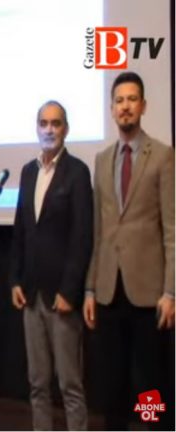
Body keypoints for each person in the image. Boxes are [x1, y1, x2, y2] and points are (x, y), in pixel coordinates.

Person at [84, 71, 175, 430]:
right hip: (109, 291)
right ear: (111, 109)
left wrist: (171, 291)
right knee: (113, 384)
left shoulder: (163, 156)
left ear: (143, 106)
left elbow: (172, 230)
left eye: (132, 99)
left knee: (150, 385)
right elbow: (98, 231)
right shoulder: (102, 159)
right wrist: (90, 289)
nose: (125, 107)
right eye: (119, 101)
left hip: (149, 295)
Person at [10, 101, 93, 430]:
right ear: (36, 128)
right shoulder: (28, 172)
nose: (49, 130)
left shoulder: (77, 172)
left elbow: (82, 237)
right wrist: (15, 280)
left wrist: (70, 291)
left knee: (70, 386)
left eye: (55, 123)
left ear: (66, 129)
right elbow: (20, 230)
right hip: (31, 295)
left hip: (62, 298)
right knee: (37, 385)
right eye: (43, 123)